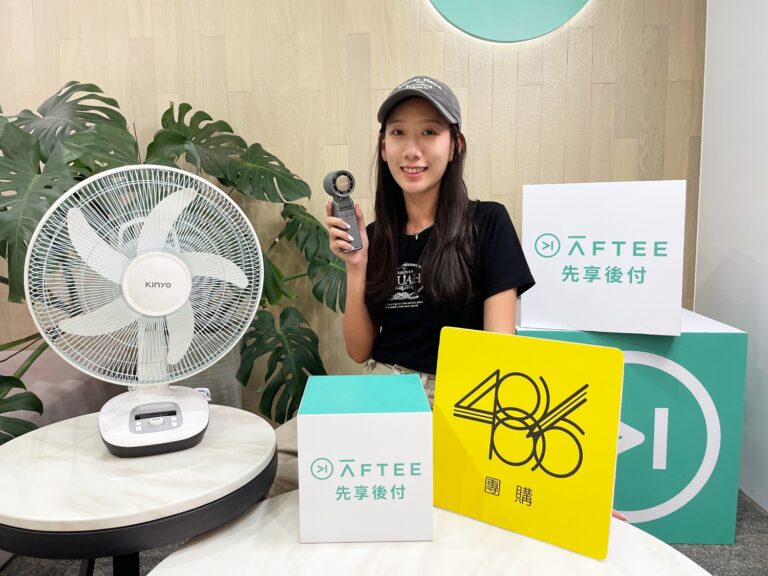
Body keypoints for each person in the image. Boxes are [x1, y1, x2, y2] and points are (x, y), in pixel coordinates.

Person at [267, 76, 535, 497]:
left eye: (429, 132)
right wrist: (356, 267)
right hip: (380, 390)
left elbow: (499, 354)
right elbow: (360, 351)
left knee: (333, 482)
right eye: (398, 133)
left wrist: (538, 485)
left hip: (455, 401)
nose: (412, 150)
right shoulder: (376, 236)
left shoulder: (487, 223)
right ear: (383, 146)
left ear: (455, 145)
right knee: (275, 466)